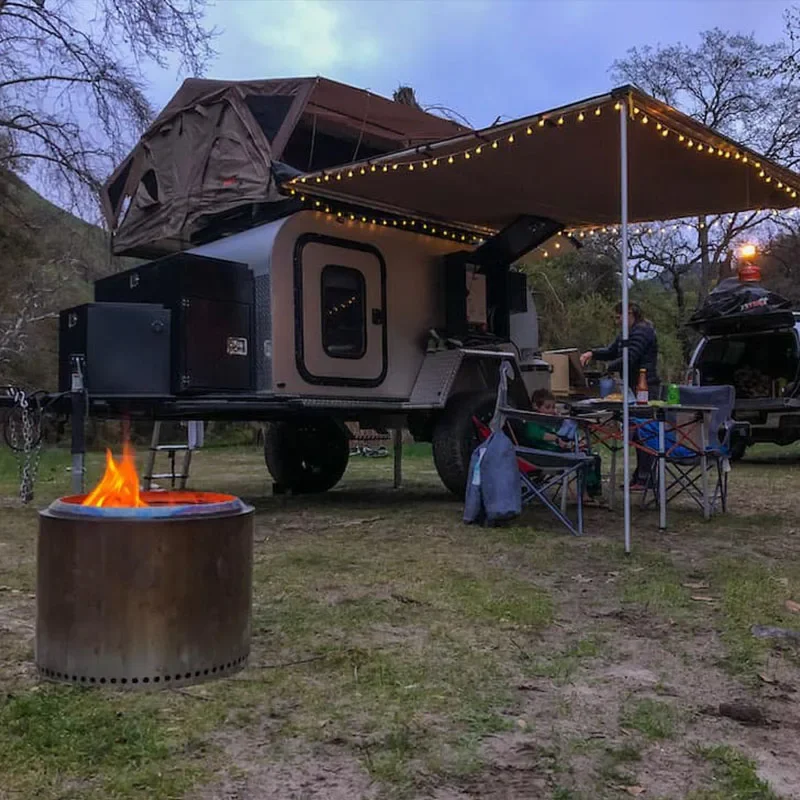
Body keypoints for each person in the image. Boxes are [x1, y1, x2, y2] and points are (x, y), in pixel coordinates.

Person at [580, 302, 660, 490]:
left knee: (644, 432)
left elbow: (630, 358)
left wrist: (607, 369)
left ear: (630, 314)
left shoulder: (642, 331)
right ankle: (641, 476)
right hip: (633, 386)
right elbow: (611, 351)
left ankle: (645, 477)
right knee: (637, 431)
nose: (616, 321)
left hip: (645, 386)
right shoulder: (627, 333)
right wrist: (592, 353)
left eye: (619, 317)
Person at [523, 388, 603, 502]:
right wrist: (557, 439)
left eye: (553, 407)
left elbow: (564, 434)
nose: (552, 410)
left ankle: (590, 491)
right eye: (548, 407)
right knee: (584, 458)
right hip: (545, 455)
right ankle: (585, 494)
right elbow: (534, 433)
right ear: (536, 407)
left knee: (592, 457)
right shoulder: (533, 421)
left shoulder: (552, 421)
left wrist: (573, 441)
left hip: (556, 452)